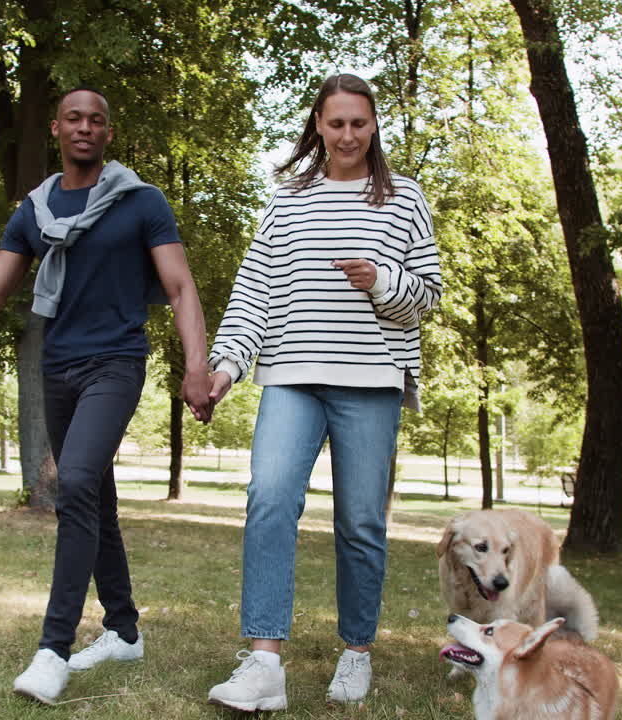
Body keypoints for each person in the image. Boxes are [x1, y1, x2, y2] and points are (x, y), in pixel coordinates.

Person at [0, 87, 213, 706]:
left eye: (97, 119)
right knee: (95, 497)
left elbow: (180, 287)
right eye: (74, 118)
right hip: (59, 369)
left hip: (115, 364)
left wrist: (196, 367)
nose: (85, 127)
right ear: (56, 129)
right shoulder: (35, 211)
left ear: (108, 133)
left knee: (75, 485)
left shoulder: (141, 201)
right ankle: (123, 630)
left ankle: (53, 650)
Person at [205, 73, 442, 711]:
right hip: (291, 375)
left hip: (371, 380)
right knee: (269, 498)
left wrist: (381, 280)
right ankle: (264, 664)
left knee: (360, 521)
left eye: (358, 123)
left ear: (374, 125)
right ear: (318, 124)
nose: (347, 135)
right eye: (336, 123)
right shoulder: (288, 200)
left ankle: (356, 650)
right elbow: (254, 289)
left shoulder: (404, 198)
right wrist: (226, 365)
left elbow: (427, 296)